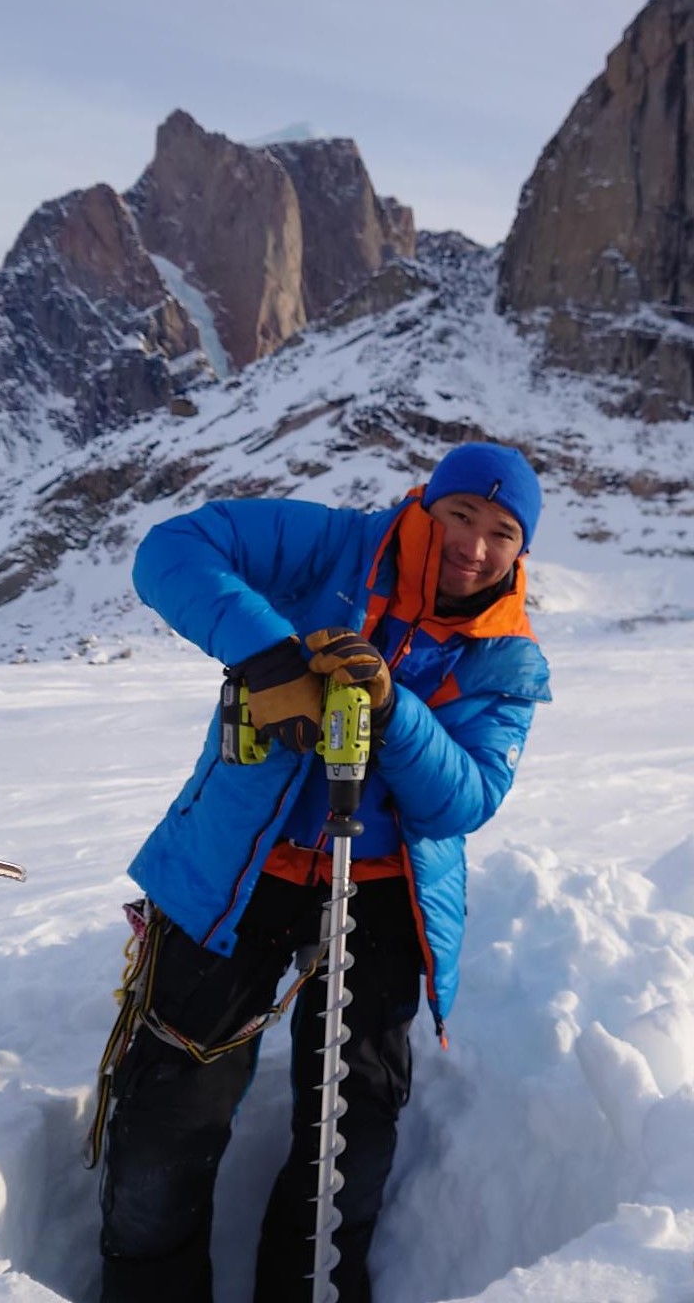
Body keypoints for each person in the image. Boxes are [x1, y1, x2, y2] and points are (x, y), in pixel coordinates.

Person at [96, 441, 552, 1303]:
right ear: (428, 505)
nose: (475, 547)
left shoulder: (507, 657)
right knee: (170, 1113)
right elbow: (170, 550)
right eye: (462, 516)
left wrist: (389, 708)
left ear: (518, 550)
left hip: (382, 894)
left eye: (501, 532)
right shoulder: (335, 546)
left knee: (349, 1135)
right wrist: (271, 655)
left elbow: (465, 798)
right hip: (239, 871)